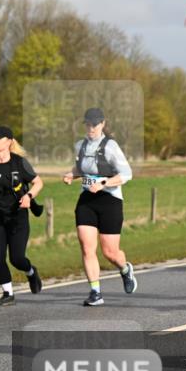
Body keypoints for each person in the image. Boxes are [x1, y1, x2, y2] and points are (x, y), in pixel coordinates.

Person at [62, 108, 136, 307]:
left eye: (95, 124)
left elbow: (126, 174)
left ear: (103, 124)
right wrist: (71, 175)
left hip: (110, 201)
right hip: (87, 200)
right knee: (87, 247)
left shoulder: (111, 146)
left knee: (110, 252)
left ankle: (125, 269)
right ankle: (95, 292)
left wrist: (103, 183)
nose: (91, 128)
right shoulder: (80, 145)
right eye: (88, 124)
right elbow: (81, 168)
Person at [0, 126, 44, 306]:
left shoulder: (19, 163)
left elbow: (38, 183)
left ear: (9, 141)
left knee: (16, 259)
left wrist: (28, 196)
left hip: (17, 218)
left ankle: (31, 272)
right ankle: (8, 293)